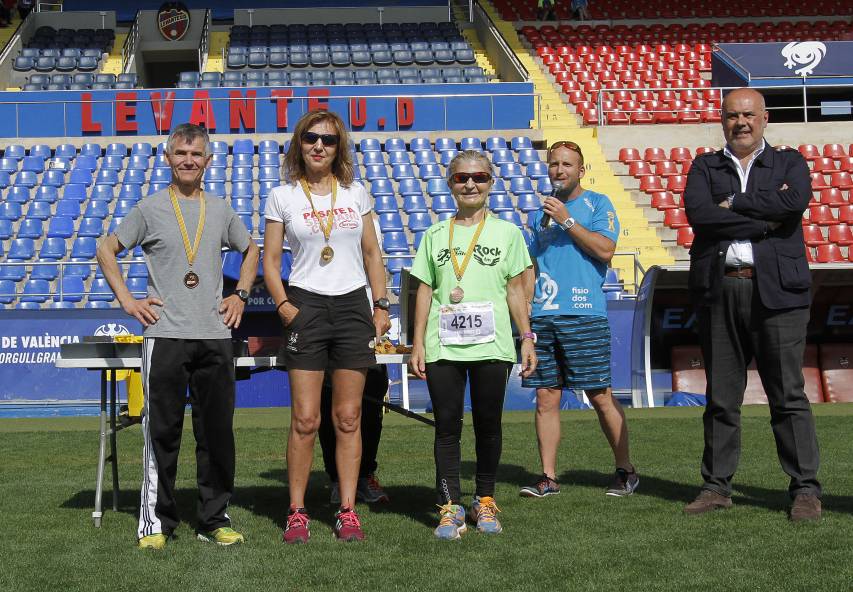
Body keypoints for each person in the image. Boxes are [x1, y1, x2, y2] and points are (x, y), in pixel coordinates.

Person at [96, 123, 259, 549]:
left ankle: (214, 517)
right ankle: (155, 522)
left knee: (217, 433)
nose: (188, 160)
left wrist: (240, 293)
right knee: (162, 431)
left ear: (208, 160)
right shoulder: (149, 209)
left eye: (196, 153)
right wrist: (129, 301)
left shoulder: (220, 209)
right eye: (181, 153)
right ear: (167, 158)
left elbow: (252, 249)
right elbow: (105, 249)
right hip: (164, 335)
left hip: (215, 334)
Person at [682, 88, 821, 521]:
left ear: (765, 117)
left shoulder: (789, 162)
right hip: (719, 290)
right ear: (721, 120)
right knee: (722, 397)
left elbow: (794, 202)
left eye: (747, 115)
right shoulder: (705, 166)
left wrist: (737, 202)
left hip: (778, 291)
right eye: (731, 116)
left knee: (788, 395)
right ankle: (716, 486)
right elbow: (700, 215)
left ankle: (805, 491)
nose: (740, 122)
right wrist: (767, 219)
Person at [263, 110, 391, 543]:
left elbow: (373, 255)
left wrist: (381, 303)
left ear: (340, 148)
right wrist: (283, 304)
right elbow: (271, 260)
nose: (319, 146)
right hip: (306, 306)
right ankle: (296, 511)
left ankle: (347, 509)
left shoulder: (358, 193)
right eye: (311, 138)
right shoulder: (282, 195)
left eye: (329, 140)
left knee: (350, 416)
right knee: (305, 418)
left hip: (354, 305)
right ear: (299, 143)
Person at [409, 150, 537, 540]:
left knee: (488, 425)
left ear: (490, 183)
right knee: (447, 427)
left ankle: (484, 499)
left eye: (479, 177)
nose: (470, 184)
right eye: (462, 178)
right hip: (443, 345)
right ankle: (449, 507)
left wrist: (526, 337)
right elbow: (424, 291)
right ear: (449, 184)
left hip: (493, 344)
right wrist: (417, 342)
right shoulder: (433, 234)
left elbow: (517, 291)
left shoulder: (508, 234)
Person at [519, 140, 638, 499]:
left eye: (567, 164)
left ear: (581, 170)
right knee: (546, 397)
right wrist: (526, 316)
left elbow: (605, 250)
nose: (559, 170)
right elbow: (531, 268)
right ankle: (548, 477)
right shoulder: (538, 215)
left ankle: (625, 470)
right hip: (544, 315)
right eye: (554, 164)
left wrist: (567, 220)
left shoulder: (597, 204)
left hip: (584, 313)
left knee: (599, 395)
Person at [319, 365, 390, 504]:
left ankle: (364, 477)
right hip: (328, 363)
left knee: (371, 417)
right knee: (329, 418)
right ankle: (338, 480)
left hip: (370, 359)